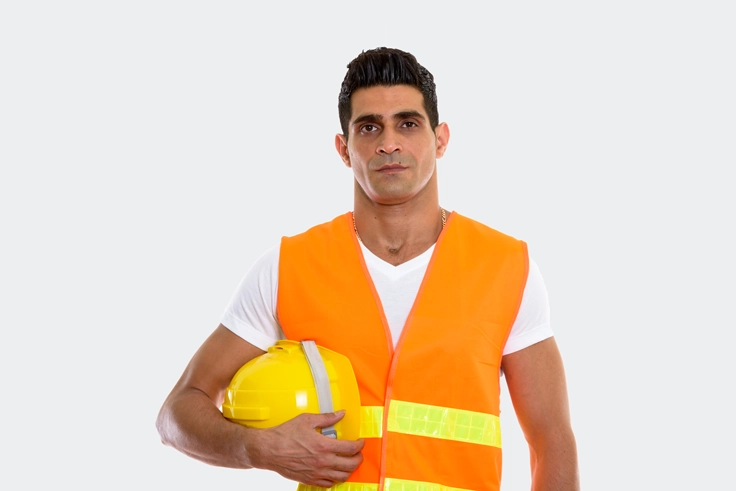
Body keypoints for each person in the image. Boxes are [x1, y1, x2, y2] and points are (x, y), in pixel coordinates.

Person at [156, 47, 579, 491]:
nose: (388, 143)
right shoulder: (289, 266)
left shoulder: (506, 267)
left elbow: (551, 442)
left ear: (441, 139)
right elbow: (177, 412)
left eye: (408, 123)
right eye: (369, 127)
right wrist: (258, 448)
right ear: (344, 149)